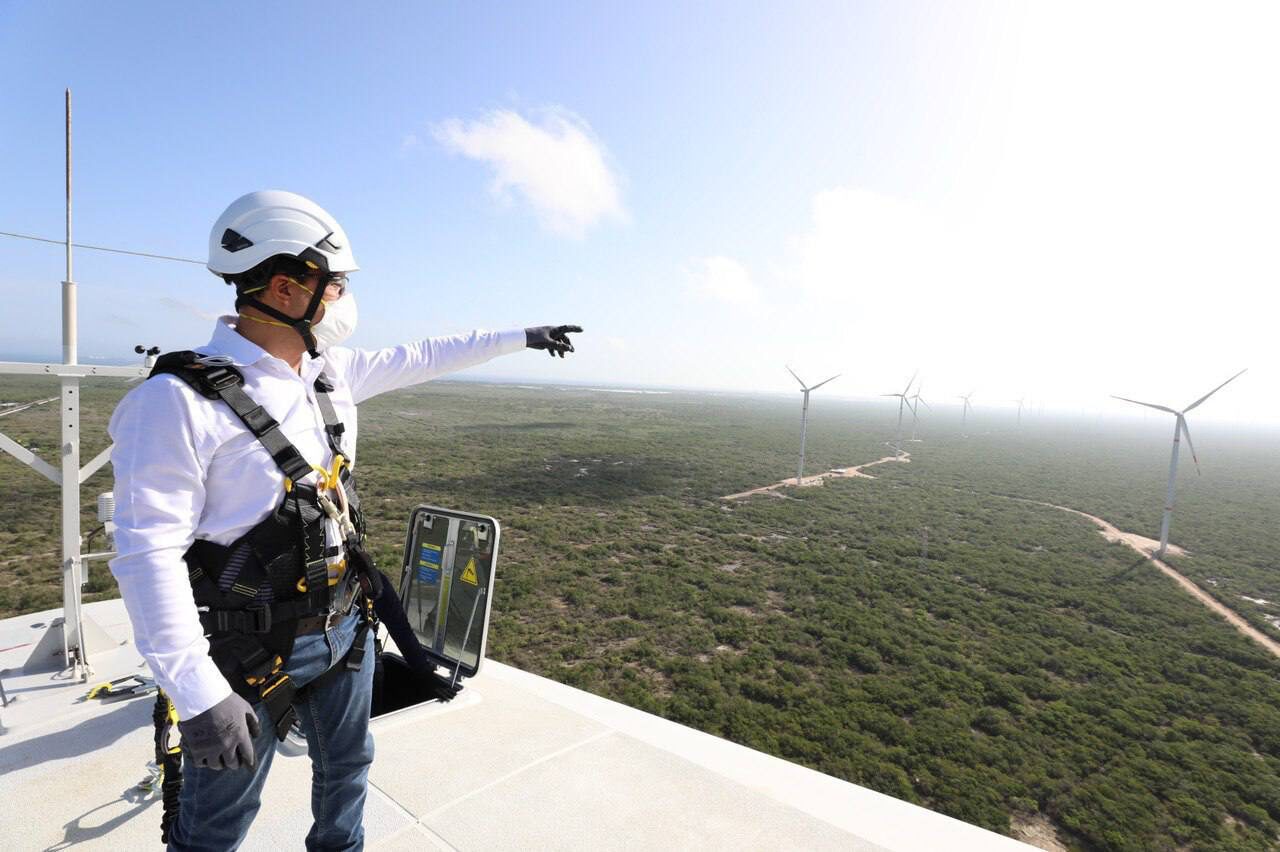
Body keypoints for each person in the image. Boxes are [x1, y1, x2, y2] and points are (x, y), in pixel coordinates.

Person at [108, 190, 581, 851]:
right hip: (248, 648)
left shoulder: (329, 376)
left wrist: (522, 337)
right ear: (284, 286)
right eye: (333, 285)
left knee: (349, 769)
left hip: (345, 625)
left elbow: (427, 354)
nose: (341, 300)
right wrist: (196, 693)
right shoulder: (175, 404)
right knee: (218, 823)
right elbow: (146, 557)